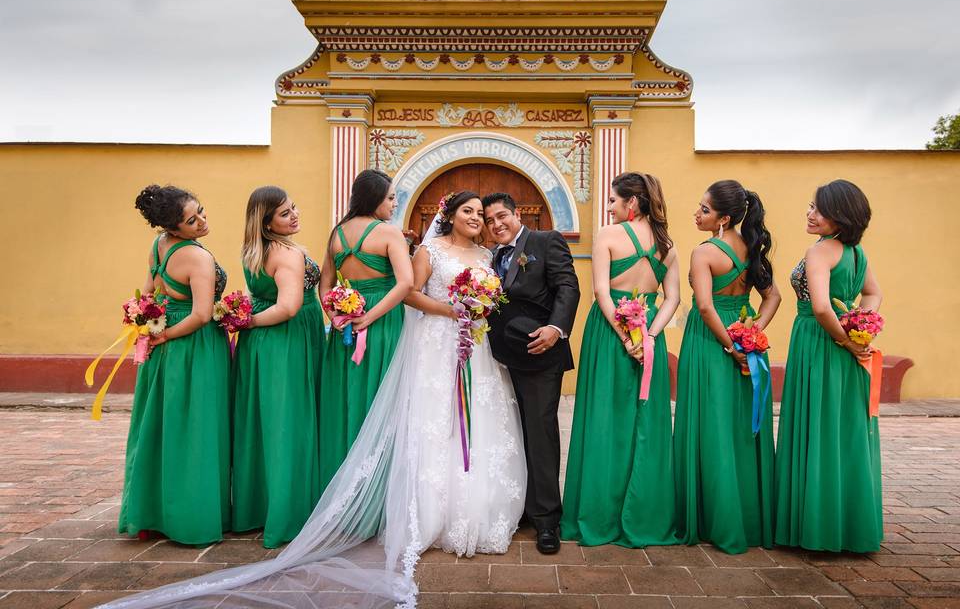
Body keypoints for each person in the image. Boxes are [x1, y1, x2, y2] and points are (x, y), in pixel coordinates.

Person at [100, 190, 525, 609]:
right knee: (306, 420)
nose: (295, 214)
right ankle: (309, 508)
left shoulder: (322, 237)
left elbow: (323, 284)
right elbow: (396, 288)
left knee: (290, 419)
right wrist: (360, 315)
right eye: (286, 211)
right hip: (329, 335)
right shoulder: (381, 240)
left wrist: (336, 310)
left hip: (332, 336)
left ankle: (267, 506)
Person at [561, 172, 680, 547]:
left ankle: (599, 515)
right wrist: (650, 337)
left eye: (613, 200)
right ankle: (644, 514)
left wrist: (627, 337)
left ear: (633, 202)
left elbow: (601, 292)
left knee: (603, 420)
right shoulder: (668, 245)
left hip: (609, 334)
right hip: (648, 335)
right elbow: (672, 299)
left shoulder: (608, 236)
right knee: (645, 424)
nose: (609, 207)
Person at [775, 179, 884, 552]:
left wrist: (846, 340)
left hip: (818, 342)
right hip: (843, 346)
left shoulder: (820, 251)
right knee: (842, 431)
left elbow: (820, 306)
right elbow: (873, 292)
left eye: (817, 208)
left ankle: (817, 529)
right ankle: (850, 528)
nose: (809, 213)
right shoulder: (857, 253)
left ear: (839, 215)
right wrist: (859, 329)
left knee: (817, 427)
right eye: (810, 205)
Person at [119, 184, 230, 546]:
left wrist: (151, 328)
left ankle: (153, 511)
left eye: (201, 211)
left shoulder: (158, 247)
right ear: (173, 227)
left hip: (164, 348)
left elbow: (148, 292)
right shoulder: (198, 258)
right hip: (193, 348)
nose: (201, 221)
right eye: (190, 220)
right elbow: (200, 314)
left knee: (163, 427)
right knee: (195, 431)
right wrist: (165, 336)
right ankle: (191, 517)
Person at [673, 179, 781, 554]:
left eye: (704, 209)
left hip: (709, 343)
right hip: (744, 337)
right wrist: (752, 334)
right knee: (740, 431)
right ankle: (748, 520)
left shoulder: (704, 253)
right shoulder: (752, 249)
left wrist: (729, 347)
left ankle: (713, 520)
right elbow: (773, 297)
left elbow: (703, 306)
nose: (697, 214)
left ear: (725, 218)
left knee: (711, 426)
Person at [483, 191, 580, 555]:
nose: (497, 225)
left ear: (517, 213)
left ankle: (547, 520)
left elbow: (568, 287)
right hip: (501, 359)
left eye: (502, 216)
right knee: (512, 433)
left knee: (540, 434)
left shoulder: (544, 240)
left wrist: (556, 329)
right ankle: (519, 506)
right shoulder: (491, 257)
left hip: (542, 354)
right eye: (490, 221)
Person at [232, 186, 323, 548]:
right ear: (266, 222)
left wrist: (249, 323)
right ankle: (289, 514)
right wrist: (248, 323)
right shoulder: (286, 254)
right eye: (285, 213)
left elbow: (261, 295)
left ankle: (257, 509)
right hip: (287, 339)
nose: (295, 215)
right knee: (290, 423)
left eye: (294, 207)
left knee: (264, 422)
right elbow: (287, 306)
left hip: (261, 345)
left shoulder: (254, 251)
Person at [317, 169, 413, 491]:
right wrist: (370, 317)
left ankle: (344, 485)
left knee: (348, 395)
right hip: (381, 321)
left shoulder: (337, 234)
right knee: (381, 397)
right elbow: (406, 283)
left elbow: (325, 284)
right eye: (390, 197)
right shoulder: (388, 233)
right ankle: (377, 489)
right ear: (374, 198)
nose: (394, 203)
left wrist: (334, 315)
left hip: (347, 321)